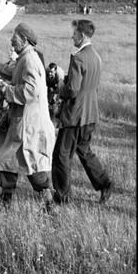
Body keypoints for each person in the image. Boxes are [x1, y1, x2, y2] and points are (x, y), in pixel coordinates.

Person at [0, 22, 55, 210]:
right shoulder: (25, 58)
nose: (11, 41)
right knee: (8, 158)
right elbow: (8, 71)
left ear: (25, 40)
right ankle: (4, 201)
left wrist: (7, 91)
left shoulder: (30, 60)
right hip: (22, 122)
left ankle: (48, 203)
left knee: (32, 164)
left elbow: (32, 90)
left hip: (29, 125)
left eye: (15, 38)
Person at [52, 19, 112, 204]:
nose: (72, 36)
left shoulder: (78, 57)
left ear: (82, 35)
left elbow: (72, 90)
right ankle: (105, 184)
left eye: (75, 33)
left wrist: (60, 83)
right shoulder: (96, 56)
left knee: (61, 155)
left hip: (75, 116)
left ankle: (62, 197)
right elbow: (85, 83)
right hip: (90, 114)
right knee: (84, 151)